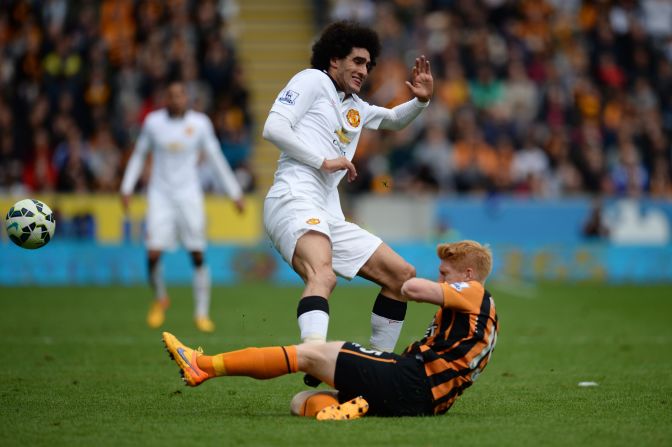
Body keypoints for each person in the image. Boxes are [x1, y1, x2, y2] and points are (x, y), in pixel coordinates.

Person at [162, 240, 498, 419]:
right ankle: (353, 409)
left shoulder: (474, 292)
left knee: (311, 353)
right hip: (423, 400)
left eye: (445, 273)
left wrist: (400, 277)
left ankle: (203, 367)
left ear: (468, 274)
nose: (440, 279)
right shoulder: (481, 312)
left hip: (412, 381)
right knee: (300, 401)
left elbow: (413, 290)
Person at [261, 21, 434, 357]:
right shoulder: (311, 80)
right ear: (333, 60)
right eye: (356, 61)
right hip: (293, 197)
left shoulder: (355, 107)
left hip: (327, 214)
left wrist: (421, 102)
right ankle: (313, 355)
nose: (363, 70)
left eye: (368, 65)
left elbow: (394, 119)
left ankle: (375, 364)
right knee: (323, 275)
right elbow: (273, 127)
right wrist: (322, 160)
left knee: (401, 276)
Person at [120, 81, 245, 332]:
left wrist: (234, 192)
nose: (176, 99)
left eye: (180, 95)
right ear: (165, 98)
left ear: (186, 98)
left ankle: (201, 313)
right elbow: (139, 155)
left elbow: (216, 158)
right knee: (153, 252)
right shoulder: (154, 123)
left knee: (196, 253)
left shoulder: (200, 124)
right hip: (160, 194)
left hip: (189, 194)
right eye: (171, 95)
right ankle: (160, 298)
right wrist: (126, 187)